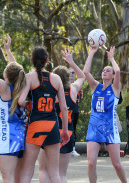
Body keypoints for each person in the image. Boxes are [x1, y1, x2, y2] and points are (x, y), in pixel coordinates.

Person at [18, 46, 70, 183]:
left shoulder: (29, 77)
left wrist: (29, 105)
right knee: (54, 173)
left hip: (35, 126)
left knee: (27, 171)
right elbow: (64, 108)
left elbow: (21, 101)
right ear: (47, 61)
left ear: (31, 60)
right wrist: (64, 130)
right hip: (52, 126)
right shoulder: (57, 78)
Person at [38, 48, 85, 183]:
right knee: (61, 174)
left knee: (43, 170)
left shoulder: (49, 91)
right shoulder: (74, 90)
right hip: (68, 133)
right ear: (67, 77)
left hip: (50, 131)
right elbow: (82, 76)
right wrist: (71, 62)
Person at [0, 35, 26, 183]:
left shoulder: (5, 89)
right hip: (21, 136)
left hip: (7, 138)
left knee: (8, 179)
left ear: (6, 74)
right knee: (18, 179)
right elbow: (17, 69)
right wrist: (7, 50)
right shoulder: (20, 87)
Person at [83, 46, 127, 183]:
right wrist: (91, 53)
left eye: (108, 71)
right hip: (94, 129)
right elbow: (85, 71)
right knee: (91, 163)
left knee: (116, 164)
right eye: (103, 70)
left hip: (110, 130)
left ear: (113, 76)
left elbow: (118, 70)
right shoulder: (95, 87)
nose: (104, 72)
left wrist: (111, 58)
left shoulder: (115, 89)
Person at [68, 67, 83, 157]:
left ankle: (72, 148)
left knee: (73, 128)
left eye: (73, 73)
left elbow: (79, 96)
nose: (72, 74)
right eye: (70, 72)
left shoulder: (78, 85)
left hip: (74, 108)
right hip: (64, 108)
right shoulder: (62, 83)